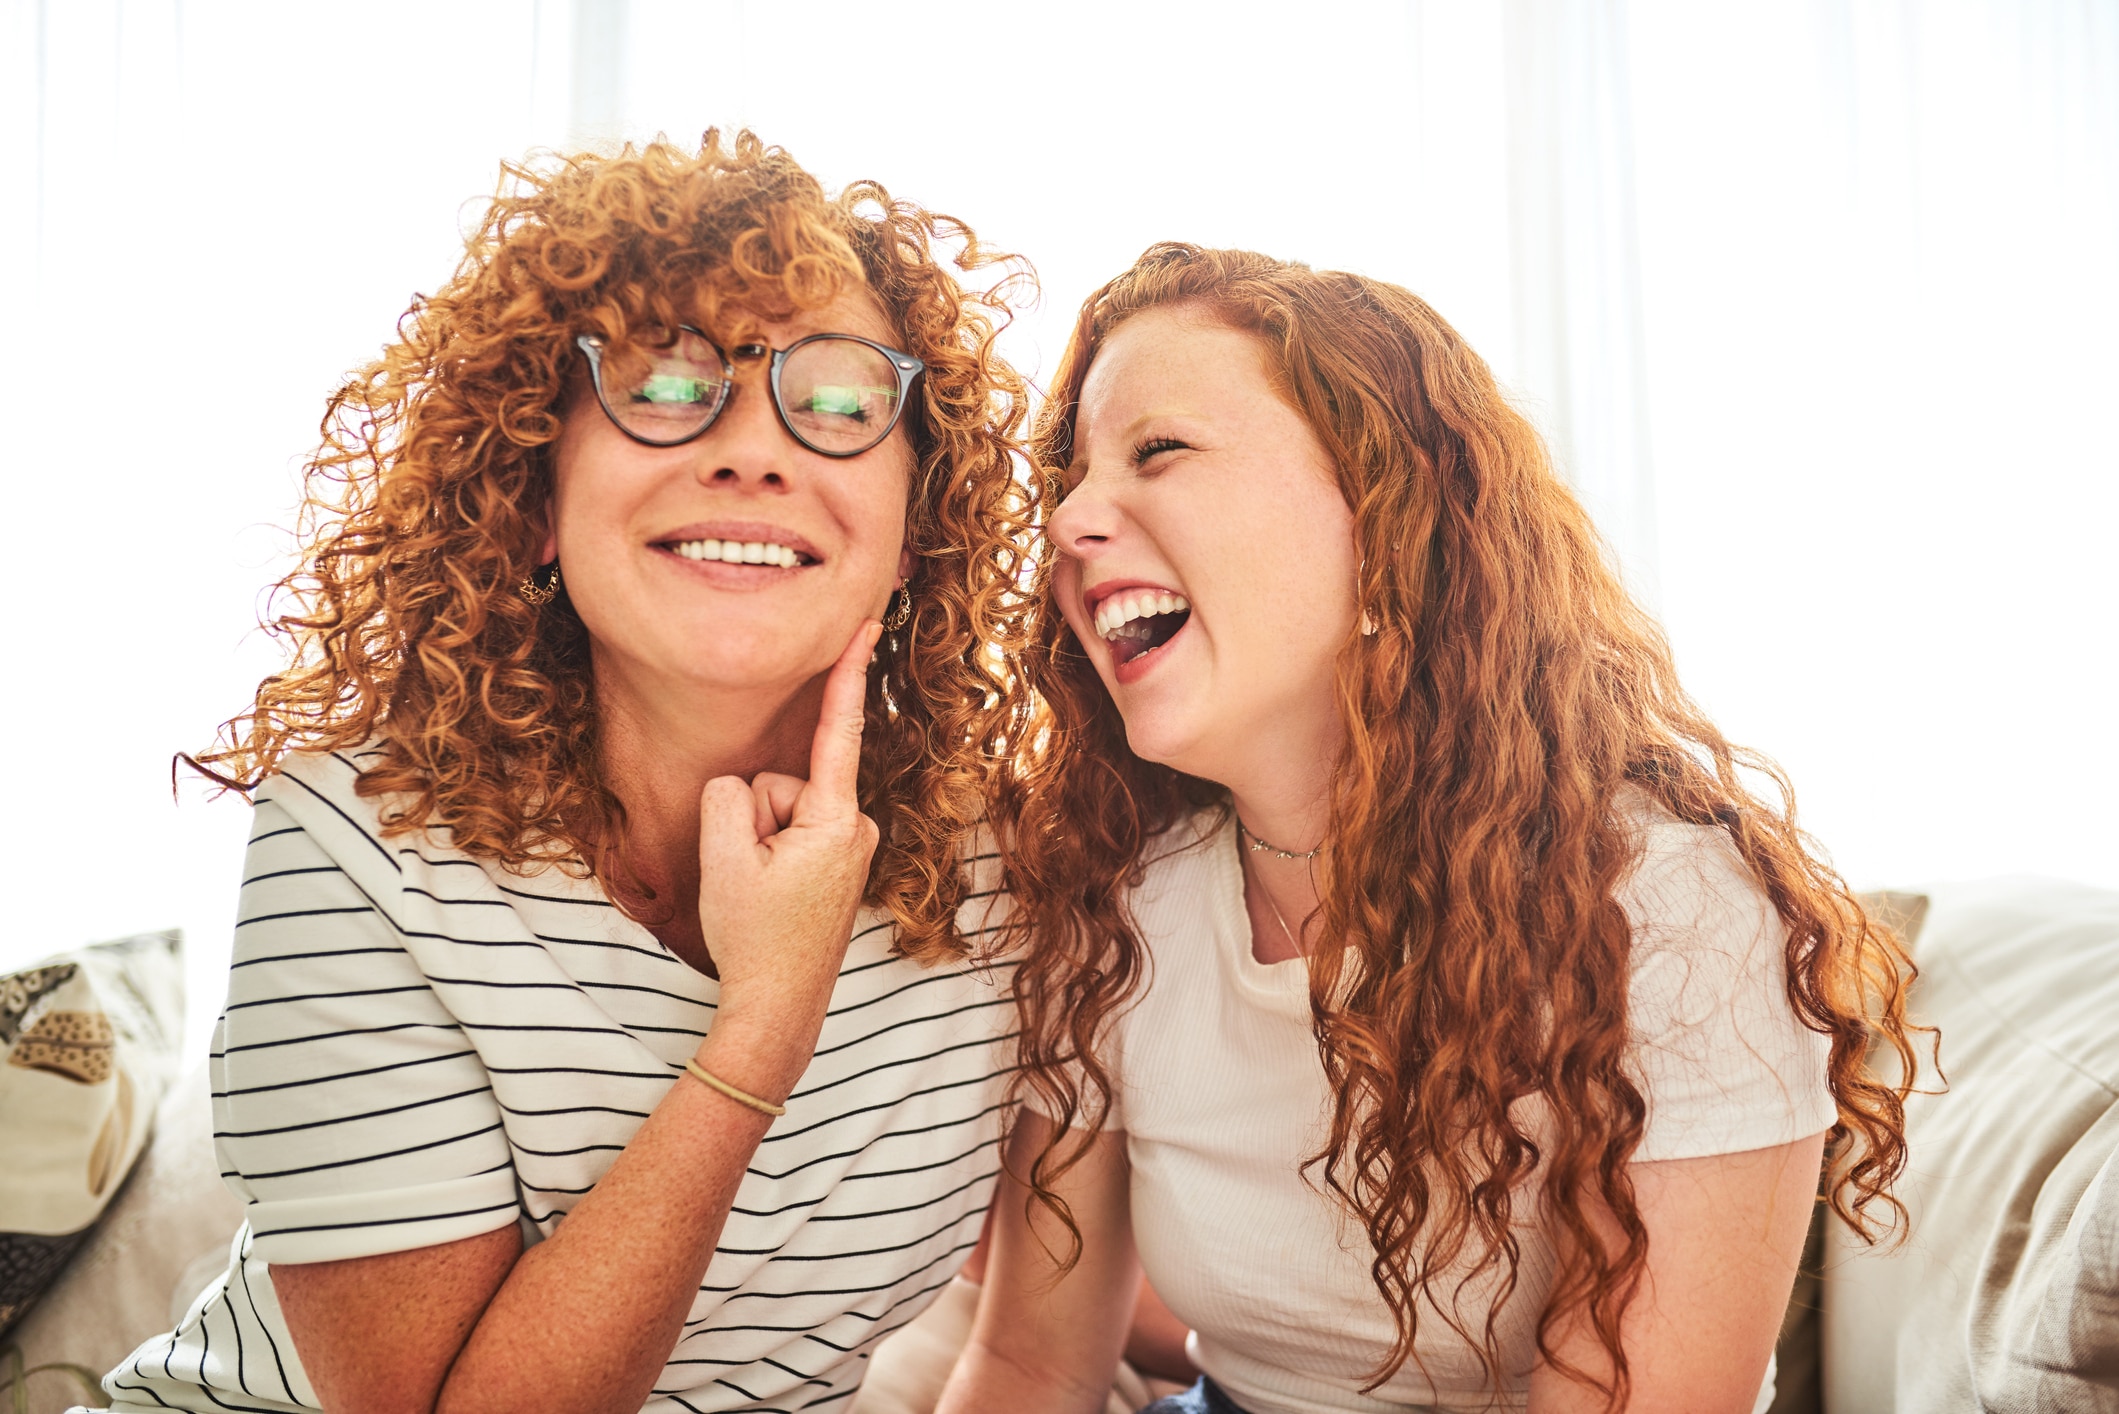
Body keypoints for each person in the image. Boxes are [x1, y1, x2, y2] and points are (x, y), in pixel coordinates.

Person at [103, 132, 1037, 1414]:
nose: (754, 452)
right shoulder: (357, 837)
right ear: (530, 498)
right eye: (660, 386)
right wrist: (765, 1021)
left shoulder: (1016, 875)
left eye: (835, 401)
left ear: (917, 525)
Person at [942, 245, 1919, 1413]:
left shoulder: (1671, 907)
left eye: (1159, 451)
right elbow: (1030, 1366)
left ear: (1386, 524)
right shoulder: (1112, 899)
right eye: (1074, 474)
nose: (1068, 519)